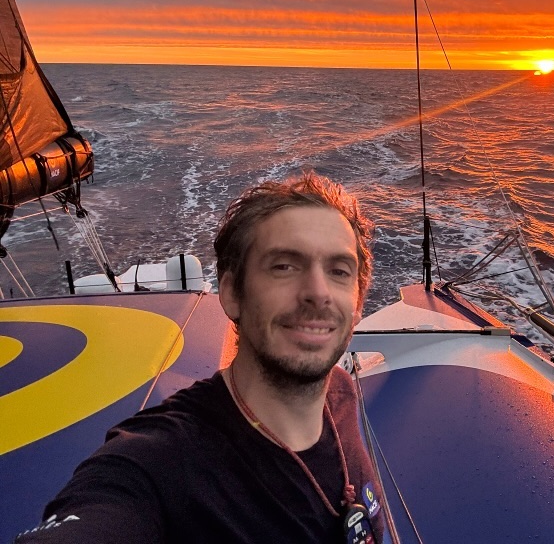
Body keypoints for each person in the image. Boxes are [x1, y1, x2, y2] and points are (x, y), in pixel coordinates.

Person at [15, 173, 385, 543]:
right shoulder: (158, 464)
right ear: (231, 293)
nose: (318, 293)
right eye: (284, 266)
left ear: (357, 303)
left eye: (339, 271)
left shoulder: (339, 391)